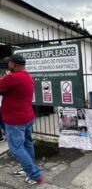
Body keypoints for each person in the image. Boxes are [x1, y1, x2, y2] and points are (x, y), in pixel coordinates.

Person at [0, 54, 44, 185]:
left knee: (16, 148)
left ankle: (35, 175)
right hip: (27, 117)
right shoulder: (27, 77)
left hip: (15, 120)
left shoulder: (12, 78)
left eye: (9, 63)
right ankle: (28, 169)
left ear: (14, 64)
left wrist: (4, 78)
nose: (8, 65)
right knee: (27, 144)